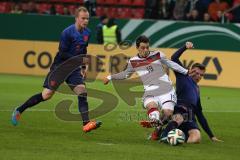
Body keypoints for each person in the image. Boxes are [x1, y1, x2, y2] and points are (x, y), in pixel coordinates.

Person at [11, 7, 101, 133]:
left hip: (74, 69)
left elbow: (83, 50)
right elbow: (63, 53)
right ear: (76, 18)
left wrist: (83, 67)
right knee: (46, 95)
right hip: (60, 67)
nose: (86, 21)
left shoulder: (87, 32)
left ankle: (86, 123)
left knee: (82, 92)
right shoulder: (67, 33)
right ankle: (19, 110)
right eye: (83, 18)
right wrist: (79, 61)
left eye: (87, 18)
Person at [103, 35, 190, 129]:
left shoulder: (158, 55)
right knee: (151, 105)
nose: (145, 50)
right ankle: (154, 120)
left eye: (147, 47)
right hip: (150, 90)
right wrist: (110, 77)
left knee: (168, 113)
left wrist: (186, 71)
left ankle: (157, 127)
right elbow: (125, 74)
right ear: (137, 48)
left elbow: (170, 64)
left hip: (166, 89)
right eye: (142, 48)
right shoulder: (133, 61)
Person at [159, 42, 223, 143]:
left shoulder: (197, 89)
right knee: (179, 117)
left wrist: (211, 136)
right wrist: (185, 47)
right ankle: (164, 135)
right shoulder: (183, 75)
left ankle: (178, 137)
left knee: (196, 137)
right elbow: (174, 58)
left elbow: (199, 114)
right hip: (178, 110)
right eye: (196, 73)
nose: (198, 76)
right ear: (191, 70)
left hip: (190, 118)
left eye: (201, 75)